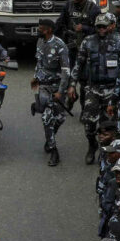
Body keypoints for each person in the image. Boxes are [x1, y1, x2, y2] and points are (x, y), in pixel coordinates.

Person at [72, 13, 120, 164]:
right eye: (99, 27)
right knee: (89, 122)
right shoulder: (88, 42)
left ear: (110, 26)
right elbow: (78, 64)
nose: (101, 29)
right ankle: (92, 146)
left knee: (108, 124)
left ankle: (106, 153)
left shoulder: (119, 41)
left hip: (112, 88)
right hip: (93, 88)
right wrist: (72, 85)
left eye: (104, 26)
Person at [31, 18, 73, 166]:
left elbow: (66, 71)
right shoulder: (40, 42)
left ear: (49, 29)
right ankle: (54, 150)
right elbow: (39, 62)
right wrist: (36, 78)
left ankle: (50, 137)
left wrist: (61, 92)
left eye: (41, 28)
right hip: (44, 86)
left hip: (57, 86)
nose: (38, 30)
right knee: (47, 117)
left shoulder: (60, 46)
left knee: (60, 118)